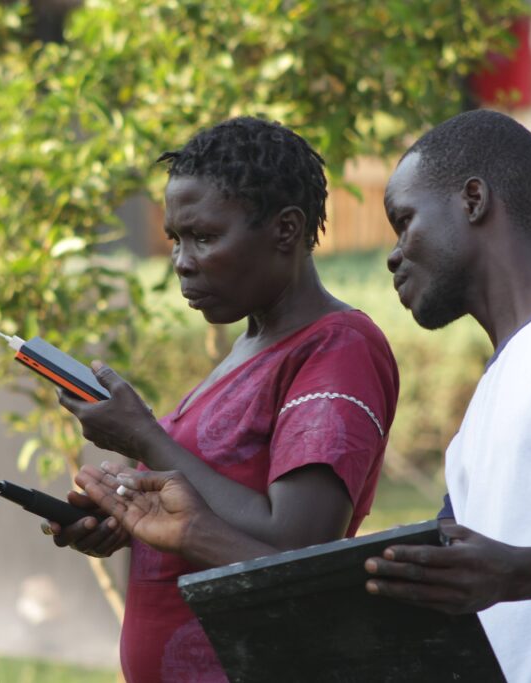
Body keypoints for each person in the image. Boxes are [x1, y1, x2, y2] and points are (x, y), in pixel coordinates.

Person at [76, 110, 531, 683]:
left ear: (472, 200)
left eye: (404, 221)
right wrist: (173, 526)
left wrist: (516, 573)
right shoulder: (486, 409)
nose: (391, 254)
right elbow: (399, 590)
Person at [50, 116, 399, 683]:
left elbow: (296, 546)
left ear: (286, 230)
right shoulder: (253, 344)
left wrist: (145, 437)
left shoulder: (338, 349)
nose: (183, 261)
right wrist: (126, 518)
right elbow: (210, 505)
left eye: (205, 237)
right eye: (176, 240)